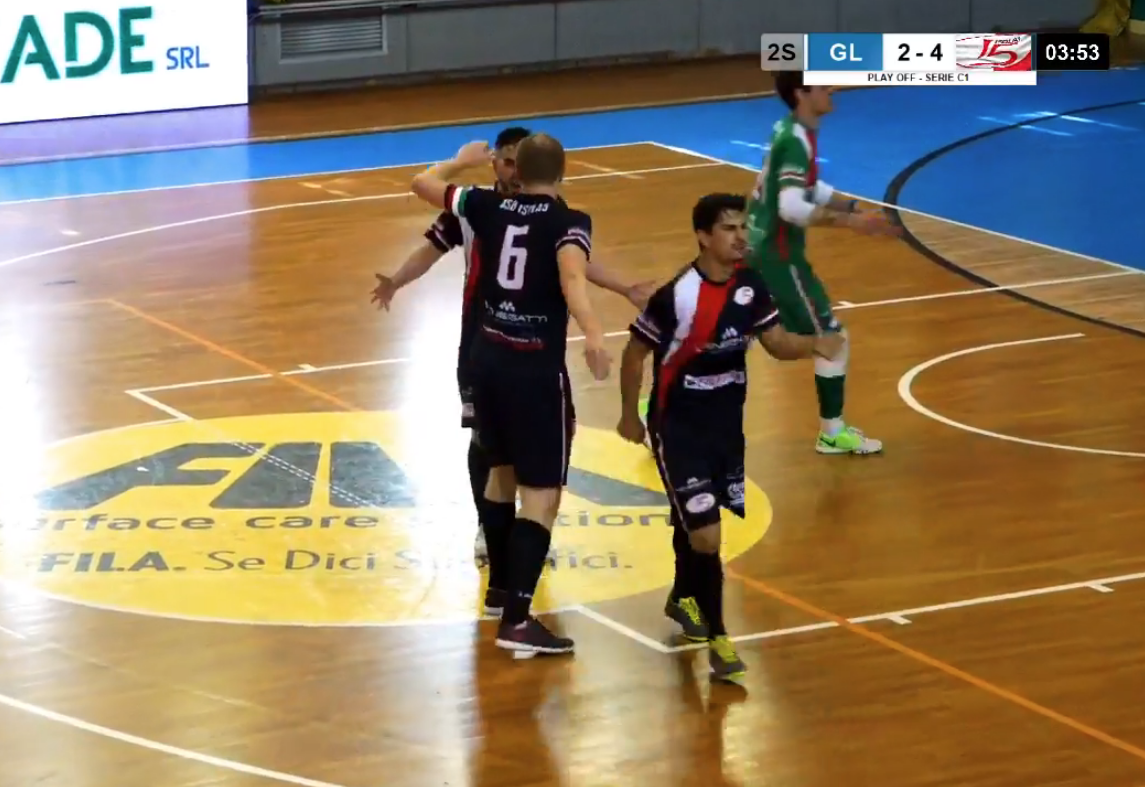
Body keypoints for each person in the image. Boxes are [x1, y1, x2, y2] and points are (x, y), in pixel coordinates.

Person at [373, 127, 650, 573]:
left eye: (514, 161)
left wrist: (622, 287)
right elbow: (430, 248)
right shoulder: (478, 208)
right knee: (485, 442)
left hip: (532, 349)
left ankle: (526, 530)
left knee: (531, 441)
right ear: (498, 164)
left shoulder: (529, 210)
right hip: (482, 342)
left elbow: (575, 266)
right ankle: (493, 529)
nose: (509, 169)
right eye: (502, 160)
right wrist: (396, 281)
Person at [617, 193, 843, 683]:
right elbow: (634, 354)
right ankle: (720, 640)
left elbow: (777, 343)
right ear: (703, 236)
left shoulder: (751, 286)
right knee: (708, 533)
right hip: (677, 426)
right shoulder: (677, 296)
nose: (741, 237)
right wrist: (629, 416)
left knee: (694, 520)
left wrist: (815, 345)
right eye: (729, 228)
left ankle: (683, 596)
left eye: (744, 227)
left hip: (725, 427)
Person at [410, 134, 611, 655]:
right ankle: (518, 620)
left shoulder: (485, 204)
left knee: (499, 474)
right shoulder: (569, 221)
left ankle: (500, 591)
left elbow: (422, 183)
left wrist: (459, 162)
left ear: (516, 169)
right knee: (541, 495)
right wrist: (593, 331)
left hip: (486, 359)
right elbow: (572, 277)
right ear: (562, 173)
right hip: (533, 369)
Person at [743, 71, 899, 456]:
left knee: (730, 335)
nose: (832, 89)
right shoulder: (795, 139)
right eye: (823, 85)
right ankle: (832, 432)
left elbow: (805, 186)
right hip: (779, 257)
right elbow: (791, 207)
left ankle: (660, 401)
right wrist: (851, 223)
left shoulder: (790, 130)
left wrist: (851, 205)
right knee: (832, 339)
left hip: (755, 246)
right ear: (801, 93)